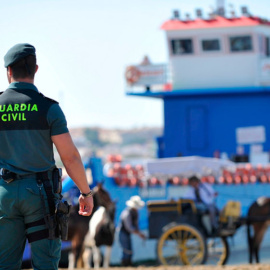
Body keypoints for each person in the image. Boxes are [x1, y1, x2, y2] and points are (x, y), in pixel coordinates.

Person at [0, 43, 94, 270]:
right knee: (46, 265)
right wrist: (85, 192)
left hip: (5, 194)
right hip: (40, 195)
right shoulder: (49, 108)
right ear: (36, 69)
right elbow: (69, 157)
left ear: (8, 71)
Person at [118, 195, 146, 266]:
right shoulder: (127, 214)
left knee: (129, 249)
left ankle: (128, 263)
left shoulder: (136, 213)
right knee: (126, 249)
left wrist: (139, 233)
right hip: (122, 233)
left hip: (127, 233)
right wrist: (139, 234)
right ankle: (125, 264)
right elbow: (129, 227)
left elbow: (136, 225)